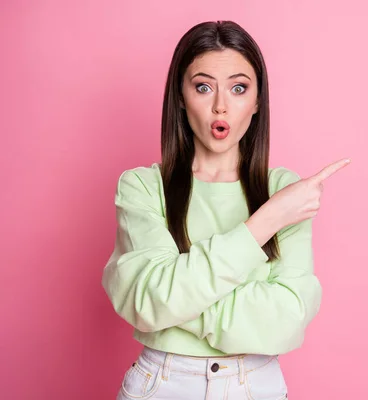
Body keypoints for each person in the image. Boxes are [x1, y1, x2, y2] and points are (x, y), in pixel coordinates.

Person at [101, 20, 350, 400]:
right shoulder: (142, 187)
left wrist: (175, 304)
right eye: (203, 87)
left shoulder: (284, 189)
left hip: (255, 386)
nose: (221, 105)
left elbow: (287, 319)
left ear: (257, 101)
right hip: (163, 384)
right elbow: (150, 301)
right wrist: (264, 222)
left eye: (238, 88)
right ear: (181, 96)